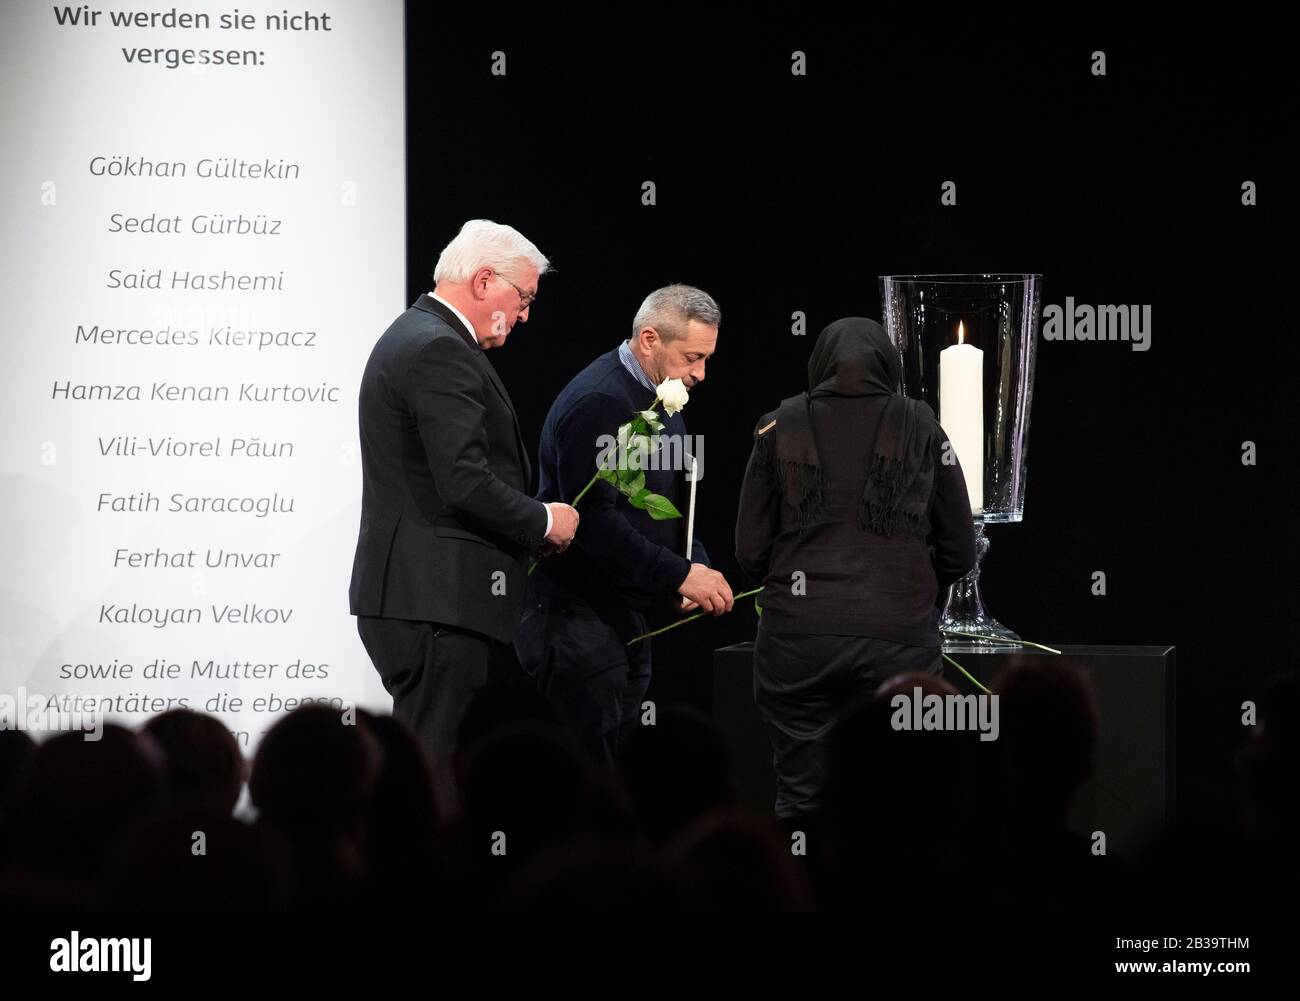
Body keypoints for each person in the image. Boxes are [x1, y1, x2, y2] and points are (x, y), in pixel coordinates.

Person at [349, 219, 579, 763]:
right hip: (436, 604)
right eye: (523, 296)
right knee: (435, 772)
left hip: (433, 601)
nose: (526, 313)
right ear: (482, 282)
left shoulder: (422, 336)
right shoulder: (437, 348)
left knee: (447, 765)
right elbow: (464, 479)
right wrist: (545, 521)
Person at [734, 316, 977, 821]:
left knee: (801, 798)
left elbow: (750, 551)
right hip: (899, 639)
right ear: (885, 367)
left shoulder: (778, 424)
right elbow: (959, 549)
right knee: (903, 797)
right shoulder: (923, 426)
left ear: (820, 365)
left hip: (797, 642)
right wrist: (907, 587)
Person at [513, 285, 734, 765]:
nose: (700, 373)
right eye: (692, 357)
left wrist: (691, 564)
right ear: (649, 339)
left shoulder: (658, 397)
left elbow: (663, 507)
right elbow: (591, 522)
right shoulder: (602, 402)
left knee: (616, 776)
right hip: (575, 621)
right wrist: (678, 574)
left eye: (706, 358)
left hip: (621, 617)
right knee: (586, 779)